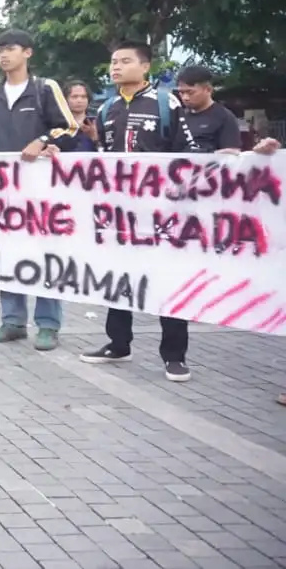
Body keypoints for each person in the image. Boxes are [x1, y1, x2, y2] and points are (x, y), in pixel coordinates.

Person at [81, 40, 200, 382]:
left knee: (168, 282)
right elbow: (103, 158)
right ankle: (119, 344)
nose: (115, 67)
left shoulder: (166, 103)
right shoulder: (107, 109)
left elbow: (188, 155)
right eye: (113, 62)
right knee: (119, 278)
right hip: (121, 215)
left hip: (163, 215)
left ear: (145, 66)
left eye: (124, 61)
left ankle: (174, 355)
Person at [0, 29, 80, 351]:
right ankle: (12, 321)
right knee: (8, 254)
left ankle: (48, 324)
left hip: (43, 191)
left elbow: (68, 127)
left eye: (11, 49)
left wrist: (44, 141)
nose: (4, 55)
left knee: (45, 254)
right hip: (4, 190)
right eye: (0, 50)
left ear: (28, 53)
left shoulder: (44, 88)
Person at [175, 66, 242, 153]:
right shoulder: (179, 117)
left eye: (190, 92)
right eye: (181, 92)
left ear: (208, 90)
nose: (185, 98)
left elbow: (232, 154)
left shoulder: (224, 117)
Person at [64, 81, 99, 152]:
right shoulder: (57, 124)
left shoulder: (96, 123)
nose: (79, 100)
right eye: (74, 97)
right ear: (65, 99)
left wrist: (95, 139)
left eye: (83, 97)